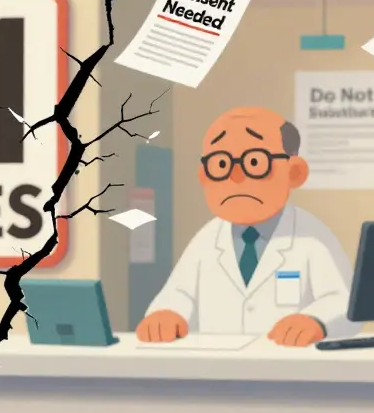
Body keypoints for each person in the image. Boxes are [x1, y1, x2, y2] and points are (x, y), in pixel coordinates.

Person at [137, 106, 358, 347]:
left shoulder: (312, 237)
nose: (237, 175)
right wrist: (167, 314)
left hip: (288, 370)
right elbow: (179, 293)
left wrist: (316, 321)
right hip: (217, 370)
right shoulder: (207, 238)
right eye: (221, 164)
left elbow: (344, 302)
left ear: (294, 172)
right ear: (205, 176)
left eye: (255, 161)